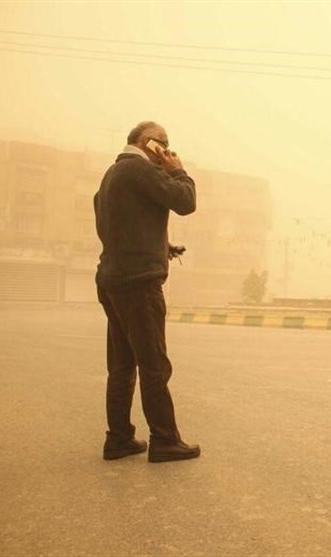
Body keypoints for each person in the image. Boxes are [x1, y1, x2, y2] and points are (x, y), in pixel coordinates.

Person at [94, 121, 200, 463]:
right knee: (154, 365)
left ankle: (120, 438)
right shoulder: (139, 169)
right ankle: (165, 439)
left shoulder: (112, 176)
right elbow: (185, 201)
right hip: (139, 284)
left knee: (122, 365)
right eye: (164, 144)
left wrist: (159, 244)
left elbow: (113, 224)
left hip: (113, 279)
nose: (167, 151)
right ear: (147, 143)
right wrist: (179, 170)